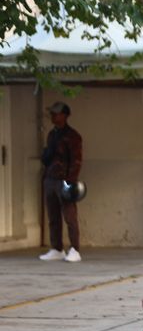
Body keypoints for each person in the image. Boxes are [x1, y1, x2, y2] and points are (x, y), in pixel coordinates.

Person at [39, 102, 83, 263]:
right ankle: (57, 248)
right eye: (52, 114)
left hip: (65, 179)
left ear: (64, 115)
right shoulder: (52, 134)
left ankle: (75, 249)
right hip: (50, 178)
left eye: (56, 114)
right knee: (53, 216)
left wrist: (71, 181)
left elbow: (76, 160)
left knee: (70, 216)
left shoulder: (72, 136)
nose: (53, 117)